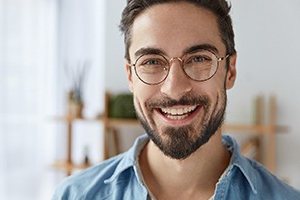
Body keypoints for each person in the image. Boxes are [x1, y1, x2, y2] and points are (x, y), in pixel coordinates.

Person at [52, 0, 300, 199]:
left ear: (230, 70)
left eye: (199, 58)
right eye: (151, 62)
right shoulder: (75, 195)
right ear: (130, 76)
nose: (174, 89)